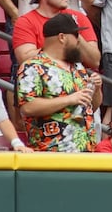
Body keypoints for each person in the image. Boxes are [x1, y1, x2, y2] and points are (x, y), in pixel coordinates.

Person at [15, 12, 99, 152]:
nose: (79, 41)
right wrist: (68, 100)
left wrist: (97, 89)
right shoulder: (33, 66)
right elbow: (28, 107)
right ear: (62, 37)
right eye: (76, 36)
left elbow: (92, 106)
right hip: (52, 153)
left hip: (86, 151)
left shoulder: (77, 67)